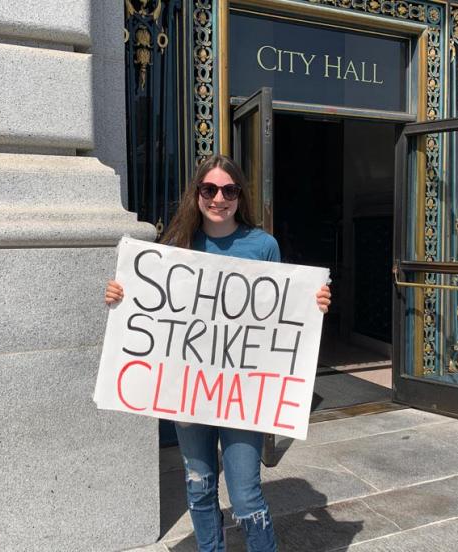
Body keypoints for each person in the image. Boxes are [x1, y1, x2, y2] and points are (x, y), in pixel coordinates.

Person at [104, 154, 331, 551]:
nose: (219, 198)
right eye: (209, 189)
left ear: (240, 195)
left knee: (245, 498)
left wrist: (314, 303)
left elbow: (281, 312)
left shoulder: (263, 246)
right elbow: (153, 308)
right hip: (187, 390)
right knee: (199, 486)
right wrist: (121, 297)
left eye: (228, 190)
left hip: (242, 394)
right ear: (197, 194)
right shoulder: (176, 246)